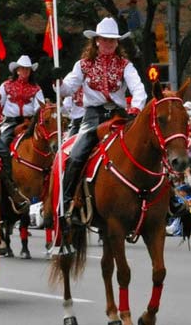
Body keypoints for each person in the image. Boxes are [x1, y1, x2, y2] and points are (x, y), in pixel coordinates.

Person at [59, 17, 147, 226]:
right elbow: (68, 88)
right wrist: (58, 83)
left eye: (112, 40)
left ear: (117, 43)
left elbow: (138, 88)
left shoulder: (126, 66)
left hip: (119, 115)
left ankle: (167, 200)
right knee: (76, 154)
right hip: (93, 117)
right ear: (96, 40)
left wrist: (136, 108)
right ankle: (68, 202)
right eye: (104, 39)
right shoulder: (83, 65)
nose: (108, 43)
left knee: (147, 146)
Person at [0, 55, 44, 213]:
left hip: (30, 123)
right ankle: (5, 176)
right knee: (1, 144)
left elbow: (39, 107)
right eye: (22, 69)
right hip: (10, 122)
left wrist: (34, 120)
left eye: (28, 69)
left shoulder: (36, 88)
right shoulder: (6, 86)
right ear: (16, 70)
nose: (25, 72)